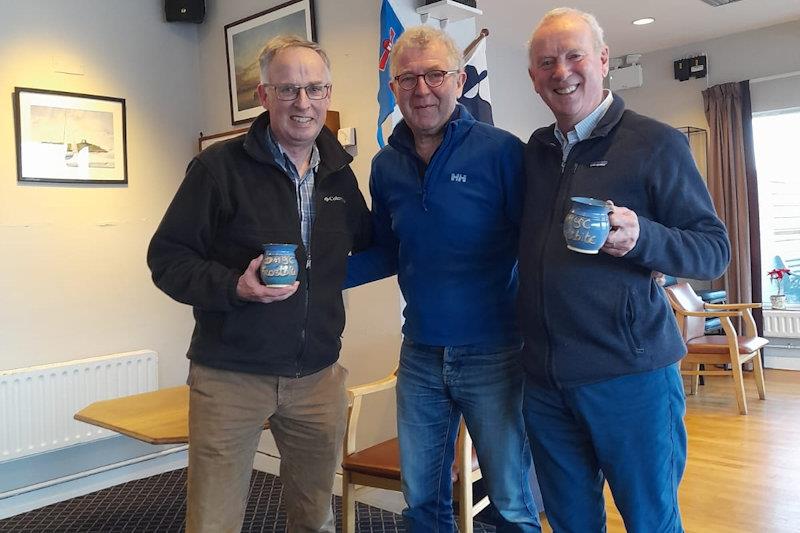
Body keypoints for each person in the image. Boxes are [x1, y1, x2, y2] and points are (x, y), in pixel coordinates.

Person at [518, 7, 730, 532]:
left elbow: (713, 250)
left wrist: (645, 238)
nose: (561, 71)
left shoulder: (656, 142)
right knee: (570, 524)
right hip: (545, 384)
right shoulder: (537, 152)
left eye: (574, 56)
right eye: (546, 62)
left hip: (630, 378)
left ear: (603, 60)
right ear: (533, 77)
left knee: (650, 522)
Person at [147, 35, 371, 533]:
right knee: (213, 521)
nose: (303, 102)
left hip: (317, 378)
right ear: (264, 95)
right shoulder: (217, 169)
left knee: (313, 518)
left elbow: (368, 244)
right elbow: (167, 259)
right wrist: (235, 287)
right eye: (287, 89)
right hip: (230, 377)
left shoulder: (339, 174)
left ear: (329, 93)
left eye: (314, 88)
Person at [346, 25, 540, 532]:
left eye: (435, 74)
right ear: (394, 90)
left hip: (495, 352)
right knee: (423, 505)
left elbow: (535, 246)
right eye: (407, 78)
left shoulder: (502, 151)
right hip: (420, 356)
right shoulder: (385, 165)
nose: (421, 89)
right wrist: (314, 276)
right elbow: (389, 251)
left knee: (512, 504)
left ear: (459, 79)